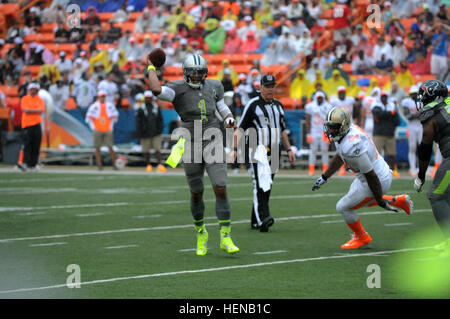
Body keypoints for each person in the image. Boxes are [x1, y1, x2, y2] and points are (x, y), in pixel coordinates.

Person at [146, 54, 239, 256]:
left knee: (220, 187)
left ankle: (225, 235)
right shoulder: (177, 88)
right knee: (196, 192)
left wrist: (230, 119)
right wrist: (151, 68)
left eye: (199, 72)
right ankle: (200, 232)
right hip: (190, 140)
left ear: (205, 73)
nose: (196, 76)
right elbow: (156, 90)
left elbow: (223, 108)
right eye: (193, 72)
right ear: (185, 73)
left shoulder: (214, 86)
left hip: (213, 138)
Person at [312, 107, 413, 249]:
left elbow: (371, 175)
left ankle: (361, 237)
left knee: (343, 207)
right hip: (371, 175)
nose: (330, 130)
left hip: (375, 179)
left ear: (343, 126)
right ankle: (399, 201)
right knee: (357, 202)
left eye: (333, 127)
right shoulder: (344, 134)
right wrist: (324, 177)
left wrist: (380, 200)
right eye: (329, 126)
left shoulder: (352, 145)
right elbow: (339, 157)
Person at [230, 74, 296, 232]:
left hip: (274, 149)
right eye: (267, 86)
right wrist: (234, 149)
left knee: (267, 184)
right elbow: (240, 128)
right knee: (260, 183)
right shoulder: (253, 105)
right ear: (260, 87)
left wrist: (288, 149)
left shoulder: (279, 106)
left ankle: (255, 219)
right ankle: (263, 219)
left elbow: (282, 130)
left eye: (272, 85)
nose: (270, 89)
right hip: (256, 148)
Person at [413, 79, 450, 257]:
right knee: (447, 196)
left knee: (436, 196)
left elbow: (425, 147)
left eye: (424, 97)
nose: (422, 101)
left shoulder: (432, 113)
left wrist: (421, 175)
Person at [85, 90, 119, 171]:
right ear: (98, 97)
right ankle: (99, 165)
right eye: (101, 96)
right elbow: (88, 118)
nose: (102, 98)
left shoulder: (109, 105)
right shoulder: (94, 106)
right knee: (97, 148)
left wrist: (111, 127)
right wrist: (93, 127)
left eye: (103, 96)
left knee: (111, 147)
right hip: (98, 129)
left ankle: (114, 165)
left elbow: (115, 117)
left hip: (107, 129)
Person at [371, 91, 401, 177]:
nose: (384, 98)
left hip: (390, 134)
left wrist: (386, 116)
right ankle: (375, 170)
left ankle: (393, 170)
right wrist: (390, 114)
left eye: (385, 96)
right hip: (379, 134)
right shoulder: (376, 105)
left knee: (391, 155)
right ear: (380, 97)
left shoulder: (391, 106)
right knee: (376, 154)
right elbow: (378, 114)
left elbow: (397, 120)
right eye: (382, 96)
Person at [17, 82, 45, 172]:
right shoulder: (25, 99)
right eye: (31, 89)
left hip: (37, 124)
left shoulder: (39, 99)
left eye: (34, 89)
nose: (33, 90)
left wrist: (31, 110)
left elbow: (41, 110)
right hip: (27, 125)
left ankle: (34, 164)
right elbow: (25, 110)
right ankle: (25, 163)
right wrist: (35, 110)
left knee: (36, 145)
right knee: (27, 145)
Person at [136, 90, 166, 173]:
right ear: (145, 98)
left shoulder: (156, 107)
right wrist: (140, 132)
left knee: (157, 149)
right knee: (146, 151)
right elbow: (138, 121)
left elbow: (160, 120)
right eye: (147, 98)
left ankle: (159, 165)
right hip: (145, 133)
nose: (148, 100)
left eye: (149, 98)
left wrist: (159, 130)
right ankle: (148, 165)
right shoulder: (141, 108)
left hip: (155, 132)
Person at [305, 92, 333, 176]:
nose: (319, 99)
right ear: (315, 98)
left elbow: (330, 121)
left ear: (323, 98)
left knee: (325, 151)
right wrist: (308, 134)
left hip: (324, 132)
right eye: (318, 97)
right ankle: (311, 169)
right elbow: (307, 120)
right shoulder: (311, 106)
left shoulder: (328, 106)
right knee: (313, 151)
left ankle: (325, 169)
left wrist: (329, 134)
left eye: (321, 97)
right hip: (314, 131)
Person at [401, 85, 421, 176]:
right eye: (412, 94)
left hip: (421, 125)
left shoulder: (422, 101)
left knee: (422, 147)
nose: (414, 95)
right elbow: (407, 115)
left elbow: (426, 114)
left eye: (415, 94)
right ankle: (412, 168)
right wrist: (416, 115)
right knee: (412, 147)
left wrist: (417, 115)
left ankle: (421, 168)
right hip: (412, 125)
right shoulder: (407, 102)